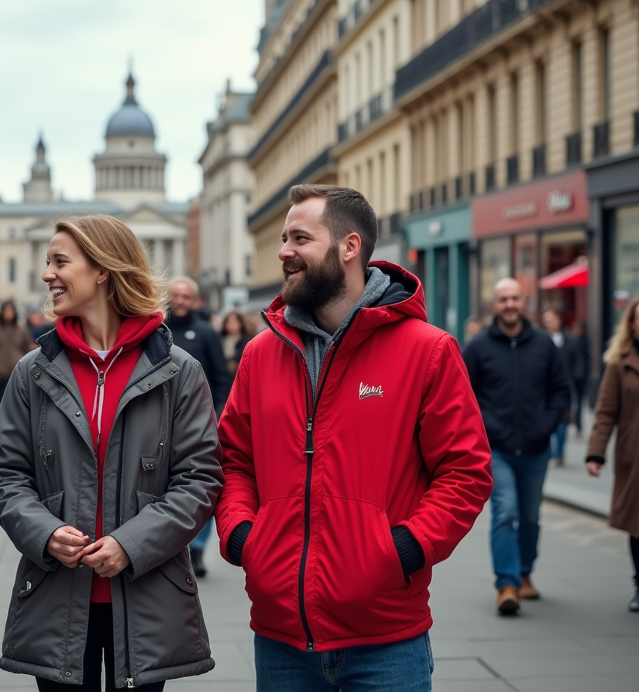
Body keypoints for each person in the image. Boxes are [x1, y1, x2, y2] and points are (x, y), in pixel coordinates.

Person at [216, 184, 491, 692]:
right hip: (280, 641)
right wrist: (243, 537)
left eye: (300, 237)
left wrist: (402, 550)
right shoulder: (260, 354)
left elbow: (465, 472)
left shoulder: (428, 351)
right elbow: (234, 460)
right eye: (283, 238)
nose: (283, 252)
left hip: (386, 643)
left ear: (349, 247)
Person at [0, 214, 223, 691]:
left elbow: (200, 479)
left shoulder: (180, 372)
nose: (46, 274)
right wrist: (46, 532)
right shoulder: (32, 373)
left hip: (147, 602)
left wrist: (129, 545)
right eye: (47, 261)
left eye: (60, 261)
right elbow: (8, 475)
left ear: (103, 270)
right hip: (55, 601)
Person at [463, 279, 571, 615]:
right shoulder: (478, 346)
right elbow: (463, 396)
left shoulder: (543, 344)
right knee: (506, 511)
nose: (509, 304)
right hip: (497, 450)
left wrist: (546, 425)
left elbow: (561, 391)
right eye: (503, 299)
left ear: (524, 303)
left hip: (537, 448)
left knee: (530, 517)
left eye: (515, 298)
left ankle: (525, 573)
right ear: (494, 305)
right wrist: (486, 428)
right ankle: (507, 584)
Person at [586, 294, 639, 612]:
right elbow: (606, 412)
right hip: (638, 458)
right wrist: (595, 453)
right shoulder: (620, 361)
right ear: (632, 324)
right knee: (638, 524)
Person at [166, 277, 230, 577]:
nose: (179, 301)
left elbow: (220, 377)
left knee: (201, 484)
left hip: (200, 424)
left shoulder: (206, 333)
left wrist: (217, 415)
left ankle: (198, 548)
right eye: (175, 296)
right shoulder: (156, 331)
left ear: (194, 300)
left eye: (185, 296)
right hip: (162, 426)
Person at [541, 307, 583, 467]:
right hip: (543, 387)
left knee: (562, 421)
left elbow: (578, 362)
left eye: (551, 318)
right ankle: (551, 452)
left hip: (564, 386)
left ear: (559, 320)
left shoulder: (570, 339)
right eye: (546, 319)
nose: (548, 322)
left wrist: (576, 379)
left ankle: (558, 453)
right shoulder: (541, 339)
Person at [0, 300, 37, 408]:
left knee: (11, 407)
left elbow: (28, 346)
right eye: (6, 311)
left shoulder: (20, 329)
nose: (8, 314)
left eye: (11, 311)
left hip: (15, 374)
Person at [220, 310, 253, 382]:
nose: (232, 324)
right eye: (228, 321)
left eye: (235, 320)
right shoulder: (220, 341)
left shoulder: (248, 341)